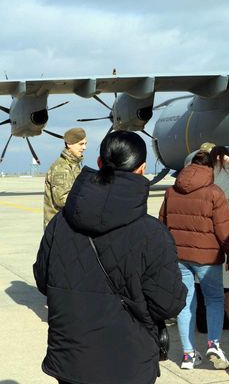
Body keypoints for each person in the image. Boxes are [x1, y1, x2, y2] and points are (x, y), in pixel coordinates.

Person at [34, 131, 186, 384]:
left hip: (71, 361)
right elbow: (169, 303)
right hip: (128, 363)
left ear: (100, 162)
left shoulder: (60, 224)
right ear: (142, 169)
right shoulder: (152, 233)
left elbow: (43, 280)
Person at [160, 150, 229, 371]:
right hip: (208, 258)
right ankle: (213, 344)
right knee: (214, 299)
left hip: (179, 257)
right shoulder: (215, 193)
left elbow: (162, 224)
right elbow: (225, 230)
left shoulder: (171, 192)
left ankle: (187, 355)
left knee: (185, 303)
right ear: (210, 169)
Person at [43, 127, 87, 228]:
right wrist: (87, 199)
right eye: (81, 144)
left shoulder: (74, 165)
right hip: (58, 228)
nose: (84, 148)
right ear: (69, 144)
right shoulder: (61, 168)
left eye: (85, 144)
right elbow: (62, 200)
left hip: (67, 226)